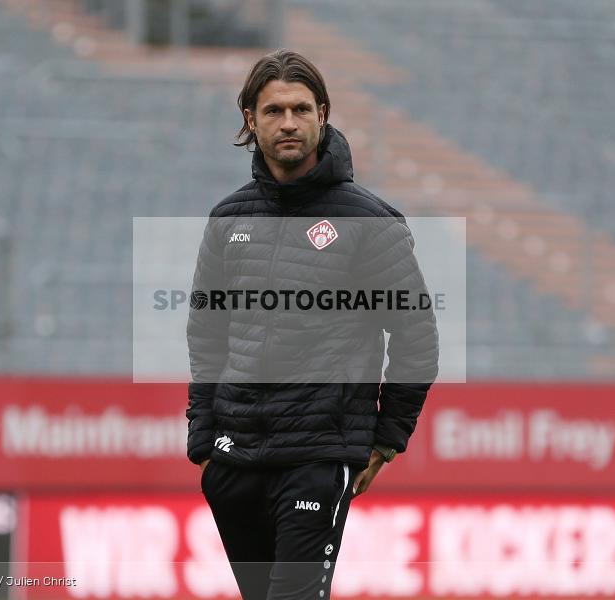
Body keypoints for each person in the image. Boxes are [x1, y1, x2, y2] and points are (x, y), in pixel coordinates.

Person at [186, 49, 439, 600]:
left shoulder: (370, 221)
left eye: (301, 109)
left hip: (318, 457)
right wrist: (203, 437)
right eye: (274, 111)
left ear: (322, 114)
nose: (289, 123)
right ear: (251, 120)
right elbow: (207, 332)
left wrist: (386, 441)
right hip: (234, 457)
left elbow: (417, 337)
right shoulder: (227, 219)